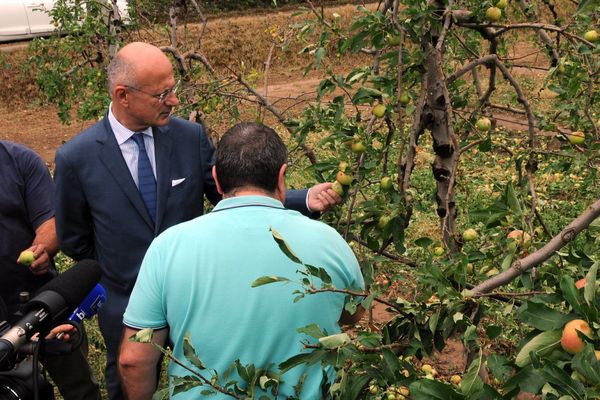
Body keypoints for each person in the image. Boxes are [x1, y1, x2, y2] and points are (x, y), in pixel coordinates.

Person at [53, 42, 342, 400]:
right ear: (123, 95)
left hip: (197, 298)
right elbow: (74, 240)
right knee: (127, 380)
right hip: (127, 306)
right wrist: (121, 272)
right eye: (163, 94)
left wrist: (303, 198)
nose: (174, 101)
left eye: (173, 89)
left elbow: (228, 190)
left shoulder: (188, 138)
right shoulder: (76, 158)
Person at [119, 122, 364, 399]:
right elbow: (352, 313)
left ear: (217, 179)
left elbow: (134, 359)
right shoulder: (330, 242)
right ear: (281, 177)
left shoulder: (168, 246)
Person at [0, 140, 101, 400]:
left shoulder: (20, 161)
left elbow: (50, 219)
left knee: (79, 387)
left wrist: (41, 248)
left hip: (44, 304)